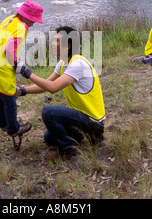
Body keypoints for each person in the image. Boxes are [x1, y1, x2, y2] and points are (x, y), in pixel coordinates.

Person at [15, 26, 105, 157]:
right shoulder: (63, 63)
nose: (52, 43)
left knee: (48, 112)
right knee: (49, 136)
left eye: (56, 40)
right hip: (82, 116)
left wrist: (26, 72)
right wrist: (21, 91)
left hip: (92, 120)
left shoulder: (77, 64)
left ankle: (69, 149)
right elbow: (46, 84)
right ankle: (80, 135)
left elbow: (52, 88)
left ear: (67, 46)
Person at [0, 0, 44, 149]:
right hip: (1, 67)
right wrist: (15, 64)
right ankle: (13, 128)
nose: (33, 24)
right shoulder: (22, 27)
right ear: (27, 18)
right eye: (33, 21)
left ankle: (3, 123)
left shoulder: (9, 19)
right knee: (9, 96)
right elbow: (8, 49)